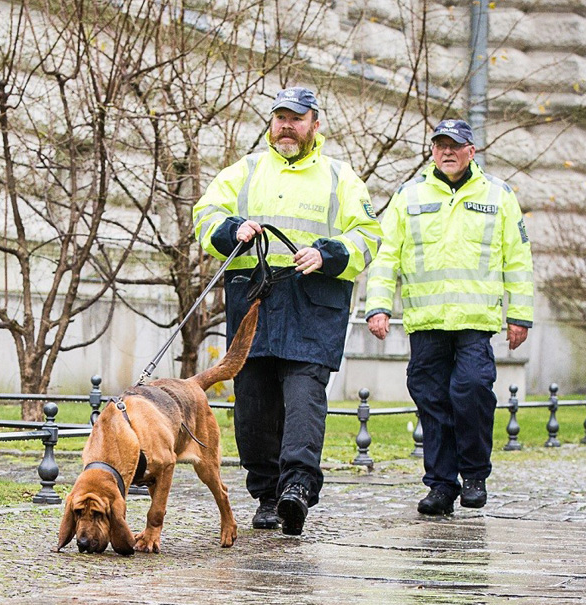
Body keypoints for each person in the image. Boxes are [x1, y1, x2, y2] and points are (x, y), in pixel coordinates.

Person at [193, 87, 382, 536]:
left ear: (315, 124)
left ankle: (296, 487)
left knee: (303, 400)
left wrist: (329, 255)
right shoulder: (245, 170)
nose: (286, 125)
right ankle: (266, 494)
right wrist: (234, 228)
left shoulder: (341, 178)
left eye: (296, 118)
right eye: (279, 117)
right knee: (253, 402)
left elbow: (368, 234)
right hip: (254, 296)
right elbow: (205, 214)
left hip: (313, 301)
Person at [364, 119, 534, 516]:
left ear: (471, 151)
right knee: (432, 401)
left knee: (472, 390)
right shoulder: (409, 195)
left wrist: (520, 316)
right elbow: (387, 256)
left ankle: (474, 474)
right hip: (426, 322)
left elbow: (518, 259)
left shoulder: (498, 195)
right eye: (440, 145)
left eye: (454, 145)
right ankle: (441, 485)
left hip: (476, 322)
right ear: (433, 151)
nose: (446, 152)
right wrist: (378, 306)